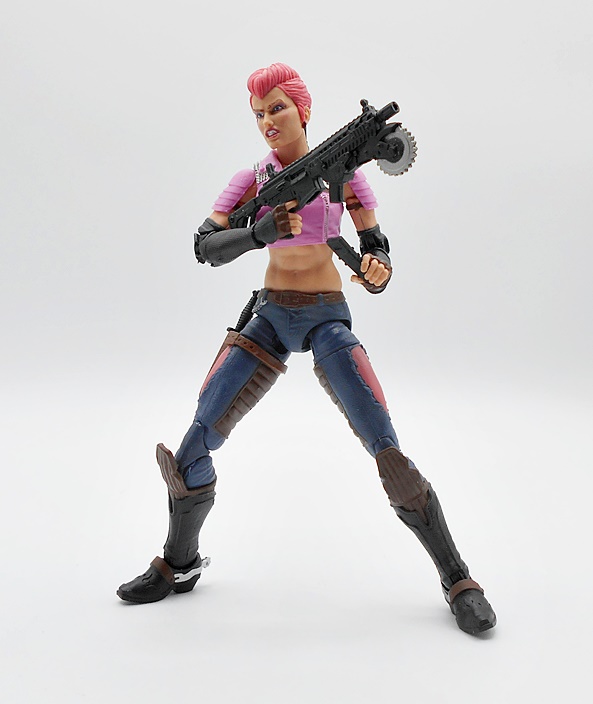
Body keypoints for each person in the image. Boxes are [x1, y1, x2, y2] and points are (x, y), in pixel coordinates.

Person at [117, 63, 496, 635]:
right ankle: (179, 562)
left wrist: (377, 267)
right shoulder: (251, 179)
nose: (268, 121)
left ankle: (458, 578)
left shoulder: (345, 175)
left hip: (325, 317)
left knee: (388, 453)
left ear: (304, 110)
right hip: (269, 316)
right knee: (193, 447)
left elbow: (376, 244)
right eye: (258, 114)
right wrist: (259, 233)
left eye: (277, 108)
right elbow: (205, 244)